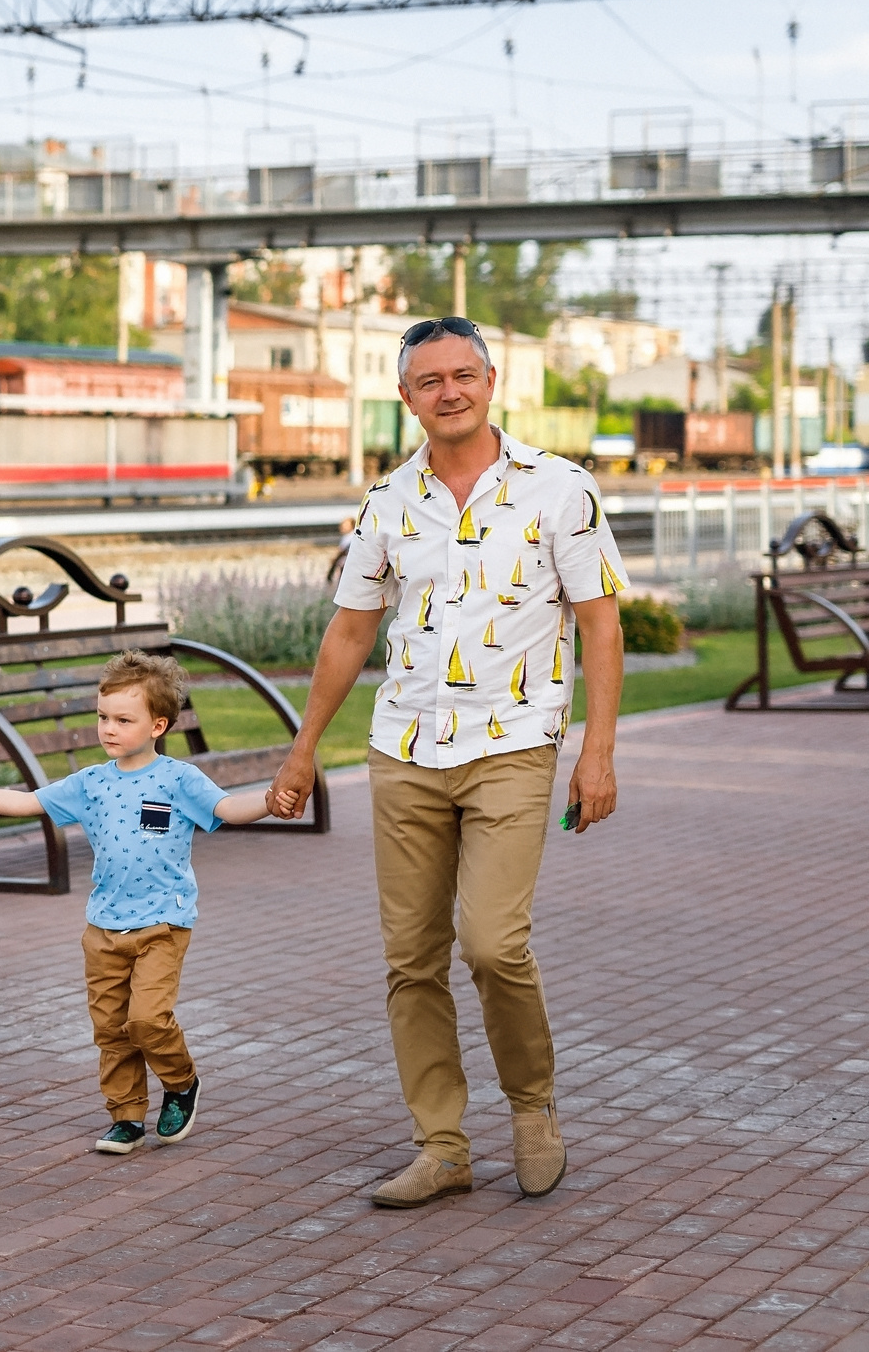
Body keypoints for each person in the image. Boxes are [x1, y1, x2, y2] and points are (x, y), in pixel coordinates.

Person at [267, 315, 627, 1208]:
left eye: (464, 374)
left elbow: (601, 621)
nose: (450, 390)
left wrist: (599, 754)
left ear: (492, 380)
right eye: (431, 380)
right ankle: (442, 1144)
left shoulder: (560, 489)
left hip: (513, 745)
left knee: (493, 943)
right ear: (407, 398)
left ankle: (533, 1106)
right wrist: (305, 748)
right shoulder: (387, 502)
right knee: (411, 956)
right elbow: (351, 629)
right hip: (405, 748)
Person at [0, 649, 275, 1153]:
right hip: (103, 929)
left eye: (123, 719)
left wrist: (274, 800)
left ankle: (181, 1083)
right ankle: (127, 1117)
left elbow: (227, 808)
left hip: (164, 923)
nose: (108, 729)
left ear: (158, 724)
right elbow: (28, 802)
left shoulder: (178, 780)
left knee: (147, 1020)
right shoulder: (91, 783)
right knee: (113, 1031)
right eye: (102, 717)